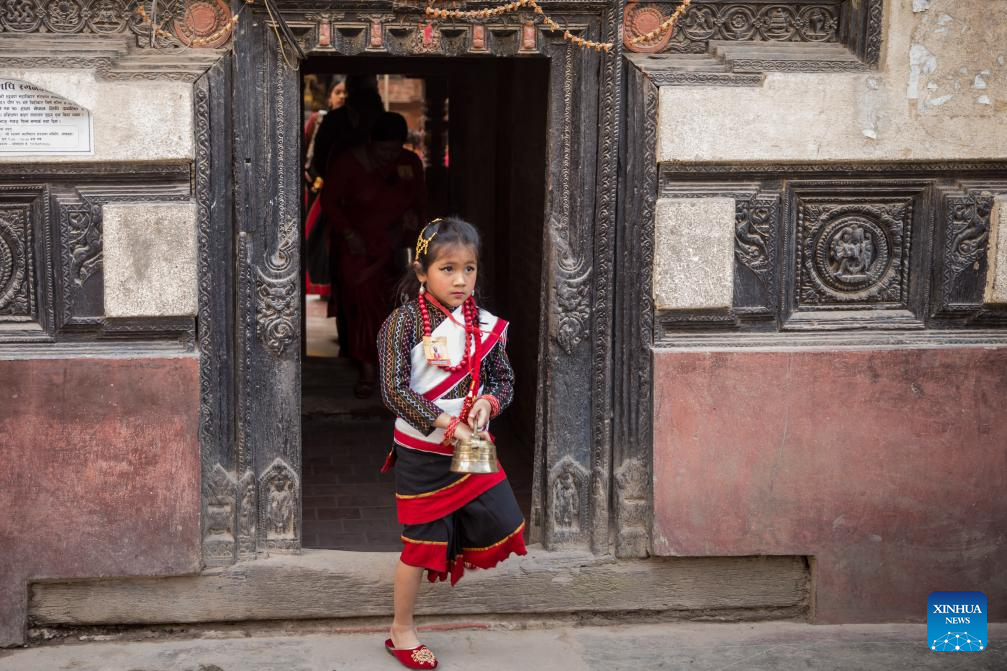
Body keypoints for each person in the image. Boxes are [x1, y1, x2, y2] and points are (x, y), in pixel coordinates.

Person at [375, 217, 527, 670]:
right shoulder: (402, 325)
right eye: (447, 269)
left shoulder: (485, 324)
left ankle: (451, 546)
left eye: (470, 268)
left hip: (470, 448)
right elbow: (393, 391)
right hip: (422, 454)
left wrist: (487, 403)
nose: (461, 280)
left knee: (502, 518)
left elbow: (504, 379)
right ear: (421, 272)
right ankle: (401, 631)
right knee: (420, 546)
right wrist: (446, 422)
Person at [321, 112, 426, 397]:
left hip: (396, 248)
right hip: (359, 251)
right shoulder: (348, 163)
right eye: (382, 150)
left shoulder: (409, 163)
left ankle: (397, 371)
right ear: (370, 142)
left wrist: (413, 217)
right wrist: (349, 233)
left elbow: (419, 200)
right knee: (363, 311)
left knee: (399, 308)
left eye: (394, 150)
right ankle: (368, 369)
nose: (388, 156)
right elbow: (329, 201)